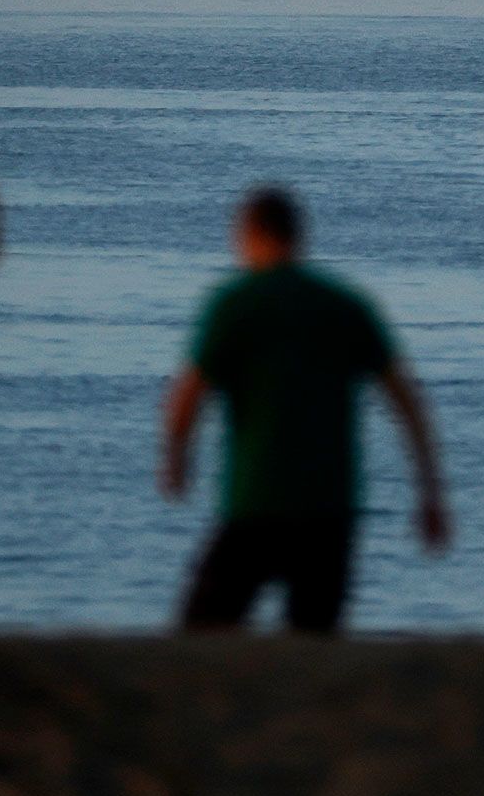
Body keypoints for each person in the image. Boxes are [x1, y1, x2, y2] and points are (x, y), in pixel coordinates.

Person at [160, 187, 450, 632]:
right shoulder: (346, 305)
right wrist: (430, 493)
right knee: (315, 649)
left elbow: (187, 396)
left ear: (248, 234)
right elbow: (408, 402)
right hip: (330, 512)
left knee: (199, 638)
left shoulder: (234, 304)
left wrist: (177, 460)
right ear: (300, 235)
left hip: (255, 504)